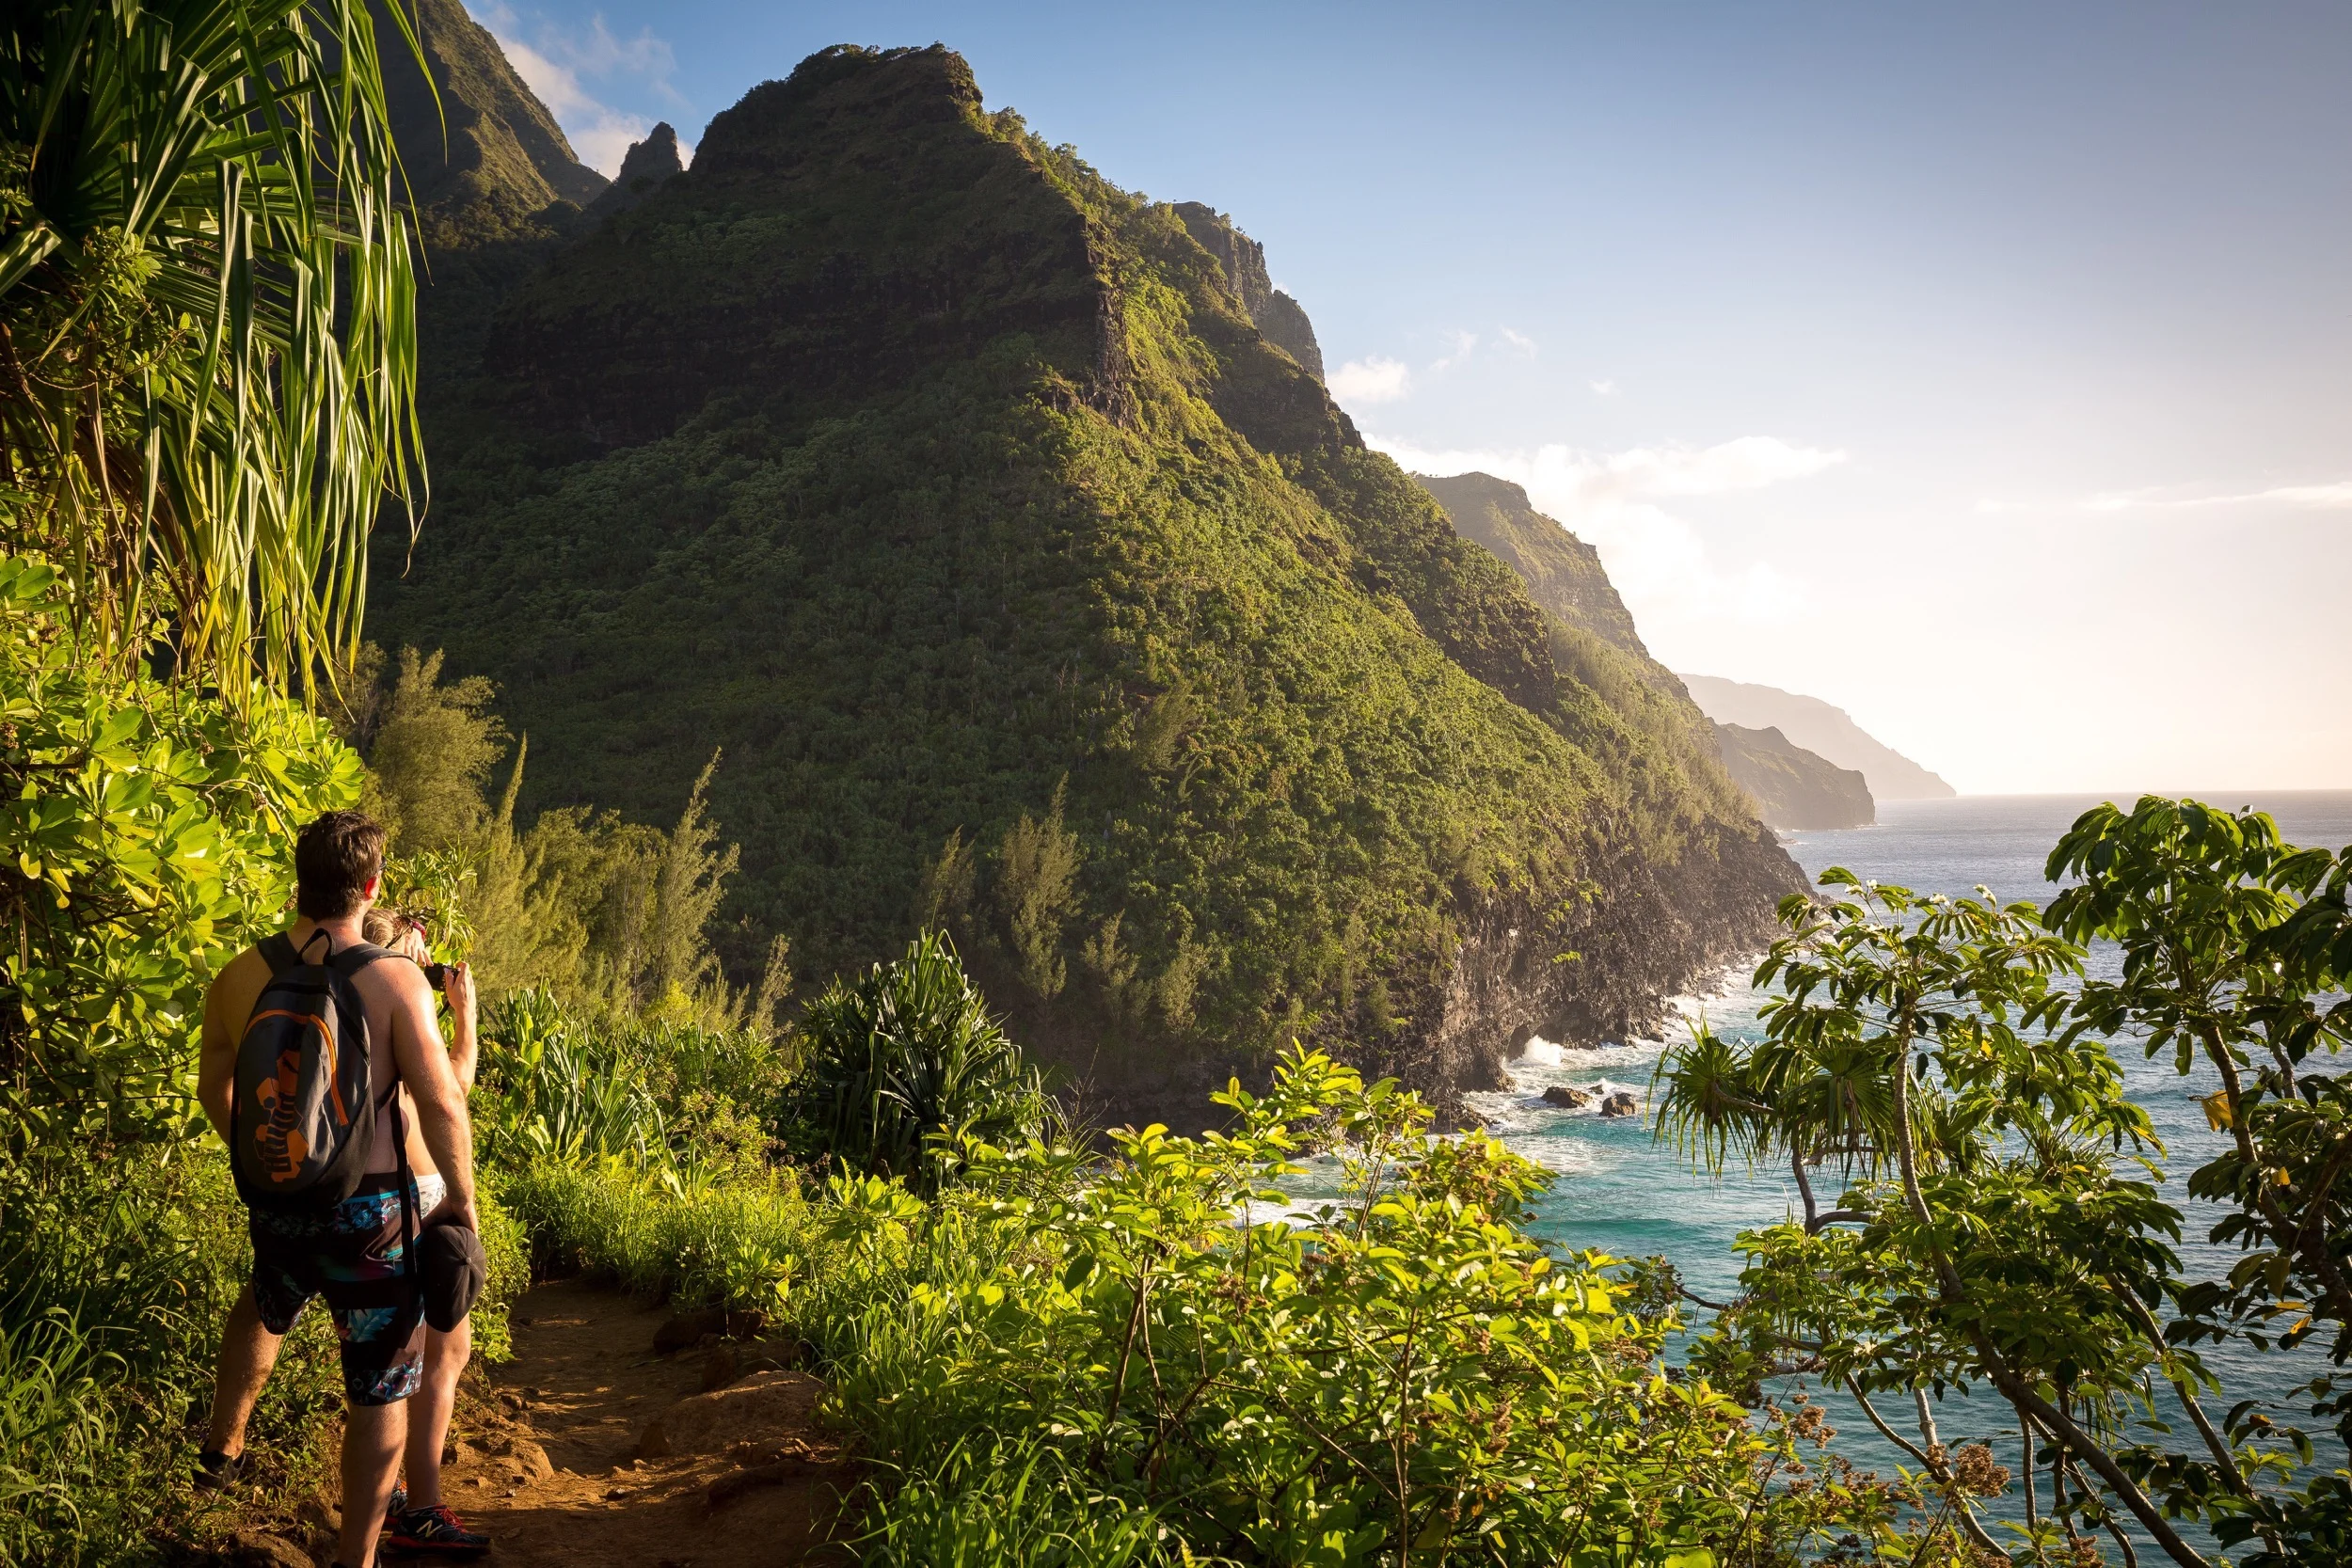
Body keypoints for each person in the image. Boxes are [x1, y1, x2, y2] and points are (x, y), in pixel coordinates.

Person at [193, 812, 487, 1568]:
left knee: (265, 1302)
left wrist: (269, 1159)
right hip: (376, 1211)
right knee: (382, 1384)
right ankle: (356, 1556)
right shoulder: (392, 980)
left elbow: (213, 1085)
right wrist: (461, 1200)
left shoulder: (238, 974)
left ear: (299, 878)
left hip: (279, 1203)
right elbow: (442, 1100)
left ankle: (222, 1449)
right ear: (372, 885)